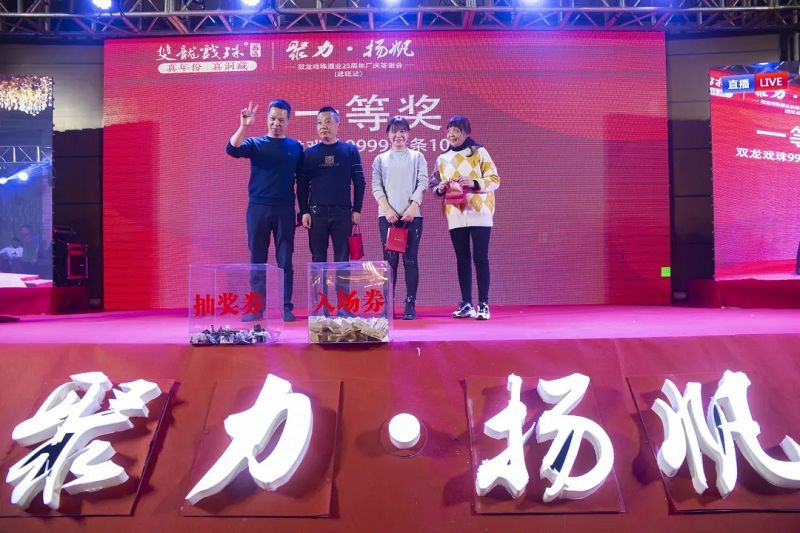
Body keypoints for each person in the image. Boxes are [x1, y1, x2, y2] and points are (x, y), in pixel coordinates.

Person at [226, 99, 303, 322]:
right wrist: (244, 126)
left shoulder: (295, 147)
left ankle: (286, 307)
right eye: (272, 119)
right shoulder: (256, 143)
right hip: (258, 208)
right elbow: (232, 149)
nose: (276, 123)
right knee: (257, 259)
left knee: (285, 260)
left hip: (285, 209)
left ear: (288, 121)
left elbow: (303, 180)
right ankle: (256, 308)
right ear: (267, 118)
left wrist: (303, 210)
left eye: (281, 120)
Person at [433, 115, 500, 320]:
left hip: (480, 212)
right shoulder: (442, 158)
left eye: (457, 131)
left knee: (480, 258)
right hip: (456, 213)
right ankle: (467, 304)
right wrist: (440, 187)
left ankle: (483, 304)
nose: (452, 135)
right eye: (449, 131)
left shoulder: (479, 152)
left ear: (466, 133)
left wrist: (473, 182)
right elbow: (434, 186)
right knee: (462, 259)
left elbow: (495, 180)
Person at [372, 116, 428, 320]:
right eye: (394, 131)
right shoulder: (380, 159)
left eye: (402, 131)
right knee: (390, 262)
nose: (398, 135)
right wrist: (387, 209)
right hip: (387, 217)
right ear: (388, 134)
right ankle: (387, 305)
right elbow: (376, 186)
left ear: (408, 134)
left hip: (412, 217)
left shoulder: (417, 157)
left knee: (410, 260)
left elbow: (423, 182)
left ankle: (410, 303)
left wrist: (413, 207)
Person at [298, 106, 366, 264]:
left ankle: (342, 283)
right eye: (319, 122)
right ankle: (319, 283)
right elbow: (302, 186)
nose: (323, 126)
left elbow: (359, 182)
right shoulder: (309, 154)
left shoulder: (350, 151)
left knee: (342, 260)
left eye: (328, 122)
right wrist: (304, 211)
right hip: (316, 214)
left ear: (337, 125)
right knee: (318, 260)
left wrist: (357, 209)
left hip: (343, 213)